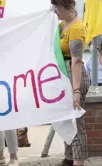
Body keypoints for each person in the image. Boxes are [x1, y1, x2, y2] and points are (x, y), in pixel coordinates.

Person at [51, 0, 90, 165]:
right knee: (66, 120)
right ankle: (69, 158)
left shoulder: (76, 28)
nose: (55, 11)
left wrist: (76, 91)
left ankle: (78, 161)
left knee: (76, 121)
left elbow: (77, 61)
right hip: (65, 78)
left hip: (75, 78)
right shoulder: (62, 26)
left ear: (67, 5)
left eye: (57, 7)